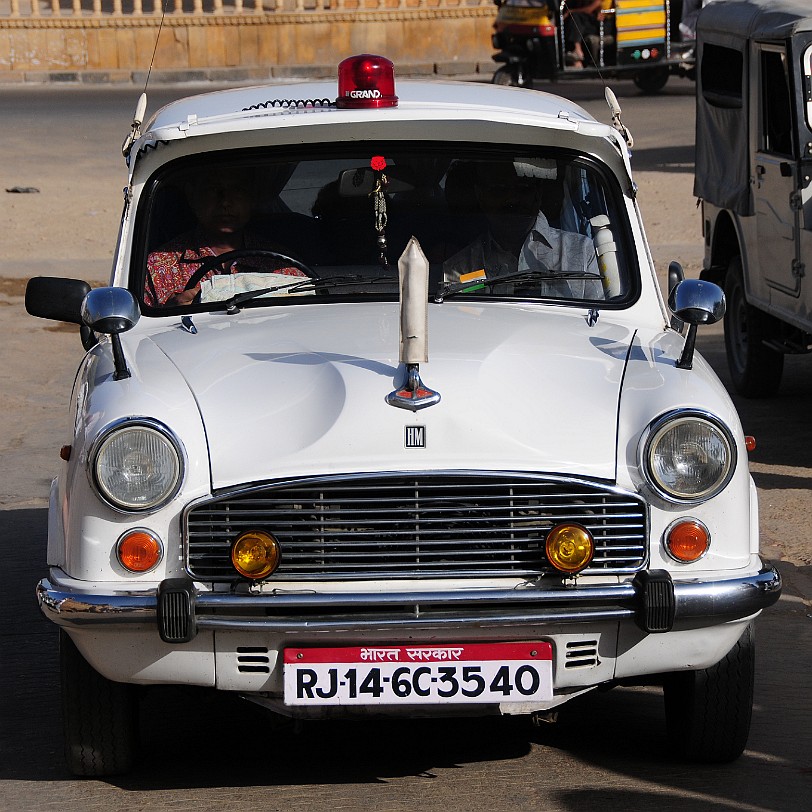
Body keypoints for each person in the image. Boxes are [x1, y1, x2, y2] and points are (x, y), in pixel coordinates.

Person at [145, 166, 306, 307]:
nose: (225, 202)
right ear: (192, 194)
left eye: (237, 190)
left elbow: (308, 315)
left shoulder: (282, 264)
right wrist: (168, 314)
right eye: (212, 189)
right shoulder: (158, 265)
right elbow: (140, 330)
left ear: (251, 197)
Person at [442, 159, 602, 299]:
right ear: (481, 195)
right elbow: (462, 319)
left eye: (523, 188)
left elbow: (599, 321)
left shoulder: (581, 252)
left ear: (537, 193)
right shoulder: (460, 269)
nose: (512, 199)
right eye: (500, 189)